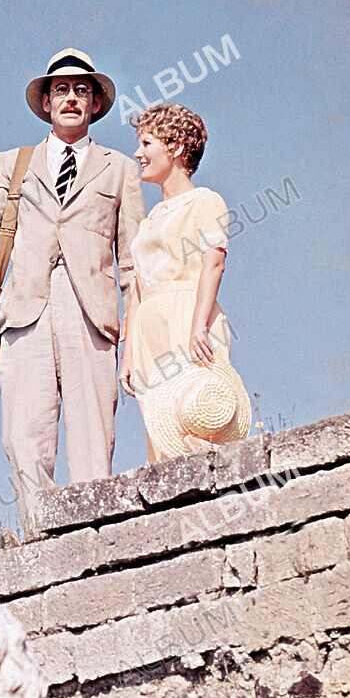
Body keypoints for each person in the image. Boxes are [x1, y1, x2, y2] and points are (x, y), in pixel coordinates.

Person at [0, 49, 145, 536]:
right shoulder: (13, 164)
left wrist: (137, 338)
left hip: (92, 316)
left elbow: (133, 264)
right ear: (45, 101)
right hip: (25, 312)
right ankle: (42, 542)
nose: (72, 98)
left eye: (83, 89)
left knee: (92, 439)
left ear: (96, 104)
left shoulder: (120, 169)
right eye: (61, 88)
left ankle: (96, 541)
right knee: (23, 438)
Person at [119, 103, 247, 461]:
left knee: (194, 416)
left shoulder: (205, 201)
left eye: (147, 143)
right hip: (150, 329)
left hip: (188, 316)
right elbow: (139, 287)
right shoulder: (151, 219)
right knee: (162, 439)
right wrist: (128, 353)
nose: (138, 153)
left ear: (174, 147)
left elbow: (214, 263)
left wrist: (197, 327)